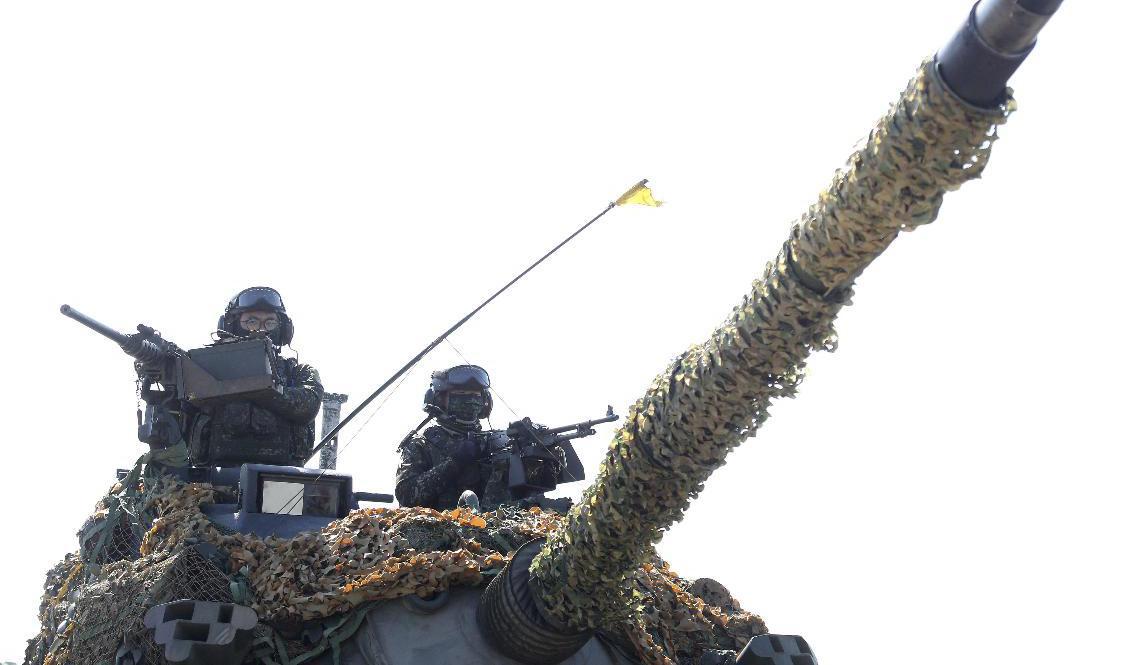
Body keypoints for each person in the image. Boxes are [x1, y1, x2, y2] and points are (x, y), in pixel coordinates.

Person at [186, 286, 324, 467]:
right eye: (251, 321)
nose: (261, 330)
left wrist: (261, 387)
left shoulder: (299, 372)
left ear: (283, 329)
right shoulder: (207, 369)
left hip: (282, 476)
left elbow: (308, 406)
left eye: (270, 322)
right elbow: (183, 405)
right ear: (231, 326)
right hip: (212, 476)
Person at [395, 364, 512, 509]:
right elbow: (406, 496)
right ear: (439, 399)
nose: (471, 400)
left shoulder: (496, 442)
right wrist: (455, 463)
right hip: (438, 523)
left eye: (476, 395)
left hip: (495, 522)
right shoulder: (421, 444)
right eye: (461, 393)